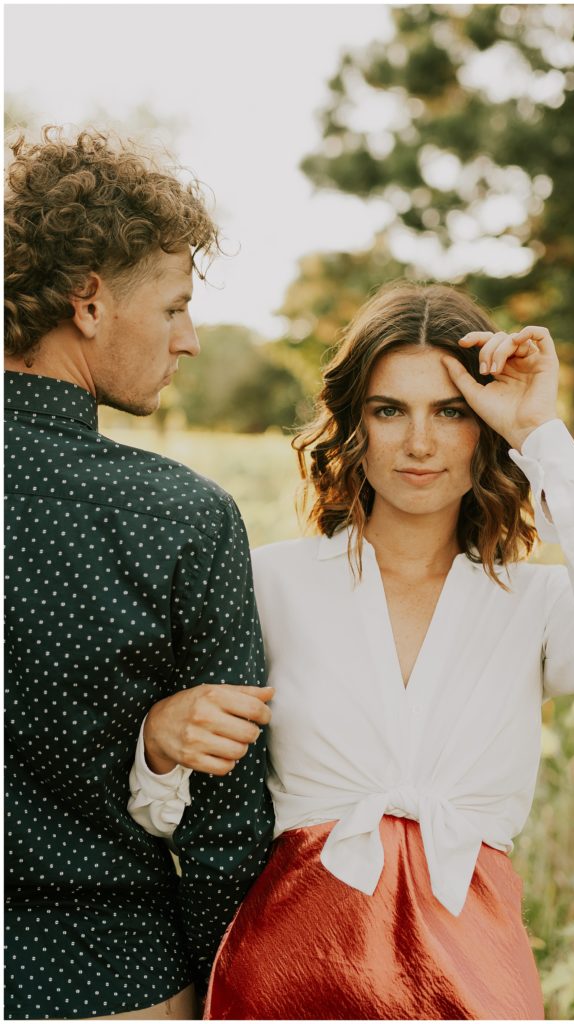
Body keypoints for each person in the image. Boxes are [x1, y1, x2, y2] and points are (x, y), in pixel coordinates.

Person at [130, 283, 574, 1020]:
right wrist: (159, 743)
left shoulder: (534, 603)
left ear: (483, 428)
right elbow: (169, 810)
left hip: (475, 967)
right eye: (390, 410)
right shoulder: (269, 581)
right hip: (294, 965)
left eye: (450, 411)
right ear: (354, 423)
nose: (419, 443)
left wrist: (539, 432)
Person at [4, 126, 275, 1021]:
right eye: (173, 307)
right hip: (113, 977)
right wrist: (214, 985)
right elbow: (228, 827)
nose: (189, 340)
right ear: (88, 303)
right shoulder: (180, 517)